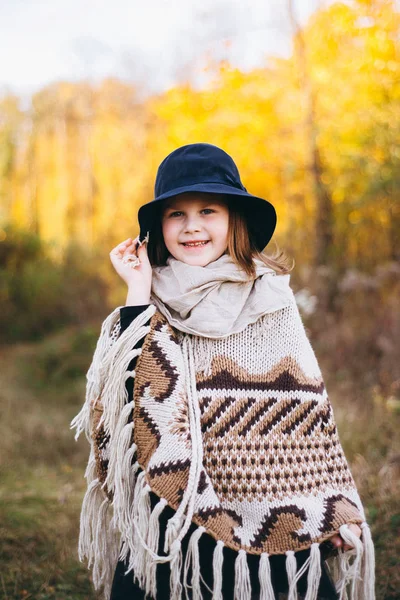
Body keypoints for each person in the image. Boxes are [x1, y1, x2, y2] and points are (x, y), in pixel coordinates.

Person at [71, 143, 375, 600]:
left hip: (270, 511)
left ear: (234, 220)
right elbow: (130, 405)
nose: (192, 226)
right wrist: (137, 291)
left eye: (208, 210)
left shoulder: (271, 300)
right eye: (176, 214)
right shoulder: (149, 304)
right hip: (173, 517)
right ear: (159, 228)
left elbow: (304, 416)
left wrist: (327, 506)